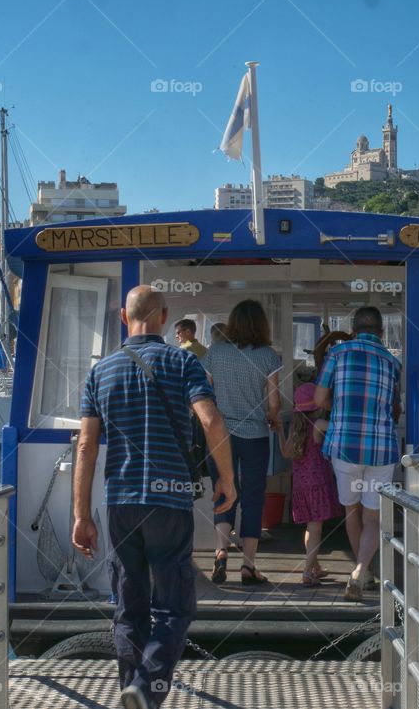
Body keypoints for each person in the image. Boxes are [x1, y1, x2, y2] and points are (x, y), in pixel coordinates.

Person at [72, 285, 237, 709]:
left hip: (121, 502)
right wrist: (227, 479)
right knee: (174, 608)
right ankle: (145, 690)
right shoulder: (183, 362)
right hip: (170, 501)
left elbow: (86, 446)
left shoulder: (100, 371)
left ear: (123, 318)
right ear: (164, 317)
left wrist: (80, 515)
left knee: (129, 607)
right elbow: (211, 421)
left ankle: (135, 692)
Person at [314, 306, 401, 602]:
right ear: (381, 332)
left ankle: (362, 573)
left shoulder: (337, 353)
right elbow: (394, 407)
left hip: (345, 446)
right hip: (381, 449)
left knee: (351, 511)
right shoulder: (392, 362)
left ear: (353, 329)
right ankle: (360, 571)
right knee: (373, 517)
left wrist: (341, 406)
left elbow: (319, 399)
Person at [200, 299, 282, 585]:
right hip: (255, 435)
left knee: (224, 490)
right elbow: (274, 402)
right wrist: (272, 417)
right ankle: (248, 565)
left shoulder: (215, 352)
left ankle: (221, 552)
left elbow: (205, 394)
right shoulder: (268, 356)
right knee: (253, 498)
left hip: (220, 435)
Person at [277, 382, 341, 585]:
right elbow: (340, 430)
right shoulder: (319, 424)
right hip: (318, 484)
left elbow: (285, 453)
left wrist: (279, 431)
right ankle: (306, 573)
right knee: (316, 529)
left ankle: (316, 567)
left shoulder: (295, 428)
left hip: (300, 486)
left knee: (310, 527)